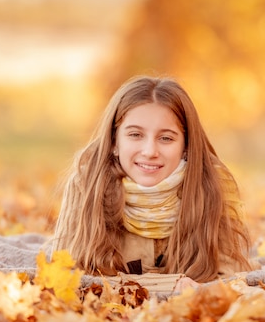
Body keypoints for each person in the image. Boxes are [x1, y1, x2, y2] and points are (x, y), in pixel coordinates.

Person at [47, 75, 253, 290]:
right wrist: (168, 284)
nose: (150, 151)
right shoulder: (87, 182)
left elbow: (232, 275)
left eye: (166, 138)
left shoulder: (212, 185)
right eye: (135, 135)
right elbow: (66, 271)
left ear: (186, 146)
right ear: (114, 142)